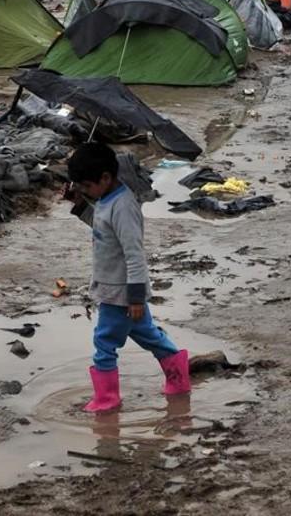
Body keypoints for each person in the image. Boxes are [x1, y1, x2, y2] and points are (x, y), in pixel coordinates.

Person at [66, 142, 190, 413]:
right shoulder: (104, 200)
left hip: (120, 294)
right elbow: (102, 230)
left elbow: (135, 256)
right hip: (118, 290)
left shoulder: (124, 207)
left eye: (86, 186)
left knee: (104, 343)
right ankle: (179, 380)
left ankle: (107, 399)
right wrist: (79, 205)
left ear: (106, 178)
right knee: (150, 336)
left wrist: (134, 298)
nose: (84, 191)